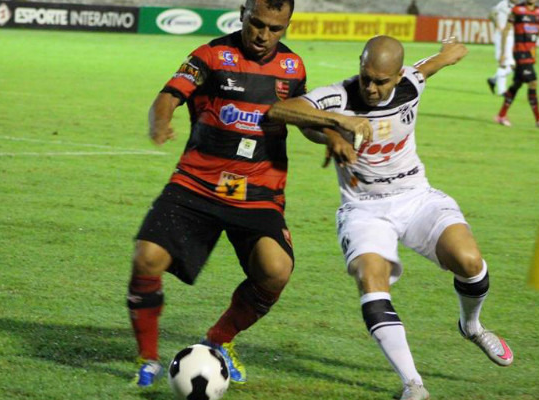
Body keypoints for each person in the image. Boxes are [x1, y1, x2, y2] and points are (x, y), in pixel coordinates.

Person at [127, 0, 372, 389]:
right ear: (243, 13)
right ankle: (148, 359)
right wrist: (161, 120)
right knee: (147, 258)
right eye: (257, 24)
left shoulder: (293, 68)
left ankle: (219, 341)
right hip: (197, 183)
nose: (264, 35)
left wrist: (330, 135)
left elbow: (300, 119)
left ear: (287, 24)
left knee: (275, 271)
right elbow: (168, 96)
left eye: (276, 28)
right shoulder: (210, 55)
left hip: (259, 191)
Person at [267, 36, 514, 400]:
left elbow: (427, 67)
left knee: (470, 262)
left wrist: (447, 55)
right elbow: (282, 111)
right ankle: (413, 384)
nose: (370, 87)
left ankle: (471, 326)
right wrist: (334, 128)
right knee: (371, 277)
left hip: (416, 197)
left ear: (398, 75)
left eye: (381, 81)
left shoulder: (410, 82)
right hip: (363, 209)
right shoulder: (340, 95)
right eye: (366, 77)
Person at [495, 0, 539, 128]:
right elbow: (506, 30)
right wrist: (502, 53)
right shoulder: (517, 10)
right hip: (520, 53)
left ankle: (501, 115)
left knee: (517, 84)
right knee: (533, 82)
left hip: (530, 54)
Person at [486, 0, 516, 95]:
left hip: (511, 36)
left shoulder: (517, 6)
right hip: (502, 36)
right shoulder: (503, 4)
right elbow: (491, 14)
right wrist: (497, 25)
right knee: (503, 62)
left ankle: (493, 80)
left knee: (513, 65)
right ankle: (501, 91)